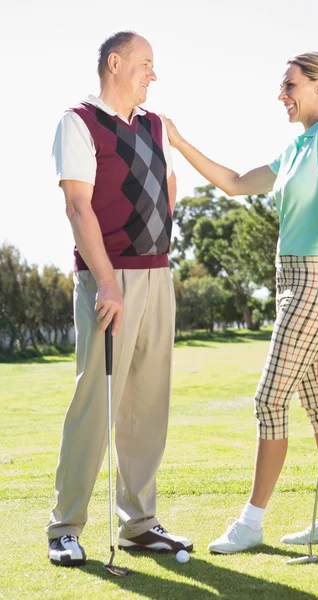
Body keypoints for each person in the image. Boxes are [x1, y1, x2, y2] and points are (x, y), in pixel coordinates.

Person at [162, 51, 318, 553]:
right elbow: (233, 184)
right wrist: (180, 142)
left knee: (269, 399)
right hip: (287, 279)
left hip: (317, 280)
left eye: (290, 85)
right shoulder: (297, 143)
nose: (283, 95)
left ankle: (251, 523)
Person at [46, 30, 192, 567]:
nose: (153, 74)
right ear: (114, 63)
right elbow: (78, 208)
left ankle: (140, 524)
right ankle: (64, 526)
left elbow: (168, 186)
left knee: (148, 405)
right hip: (108, 282)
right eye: (145, 63)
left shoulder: (154, 125)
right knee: (95, 403)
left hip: (158, 277)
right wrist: (107, 280)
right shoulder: (79, 123)